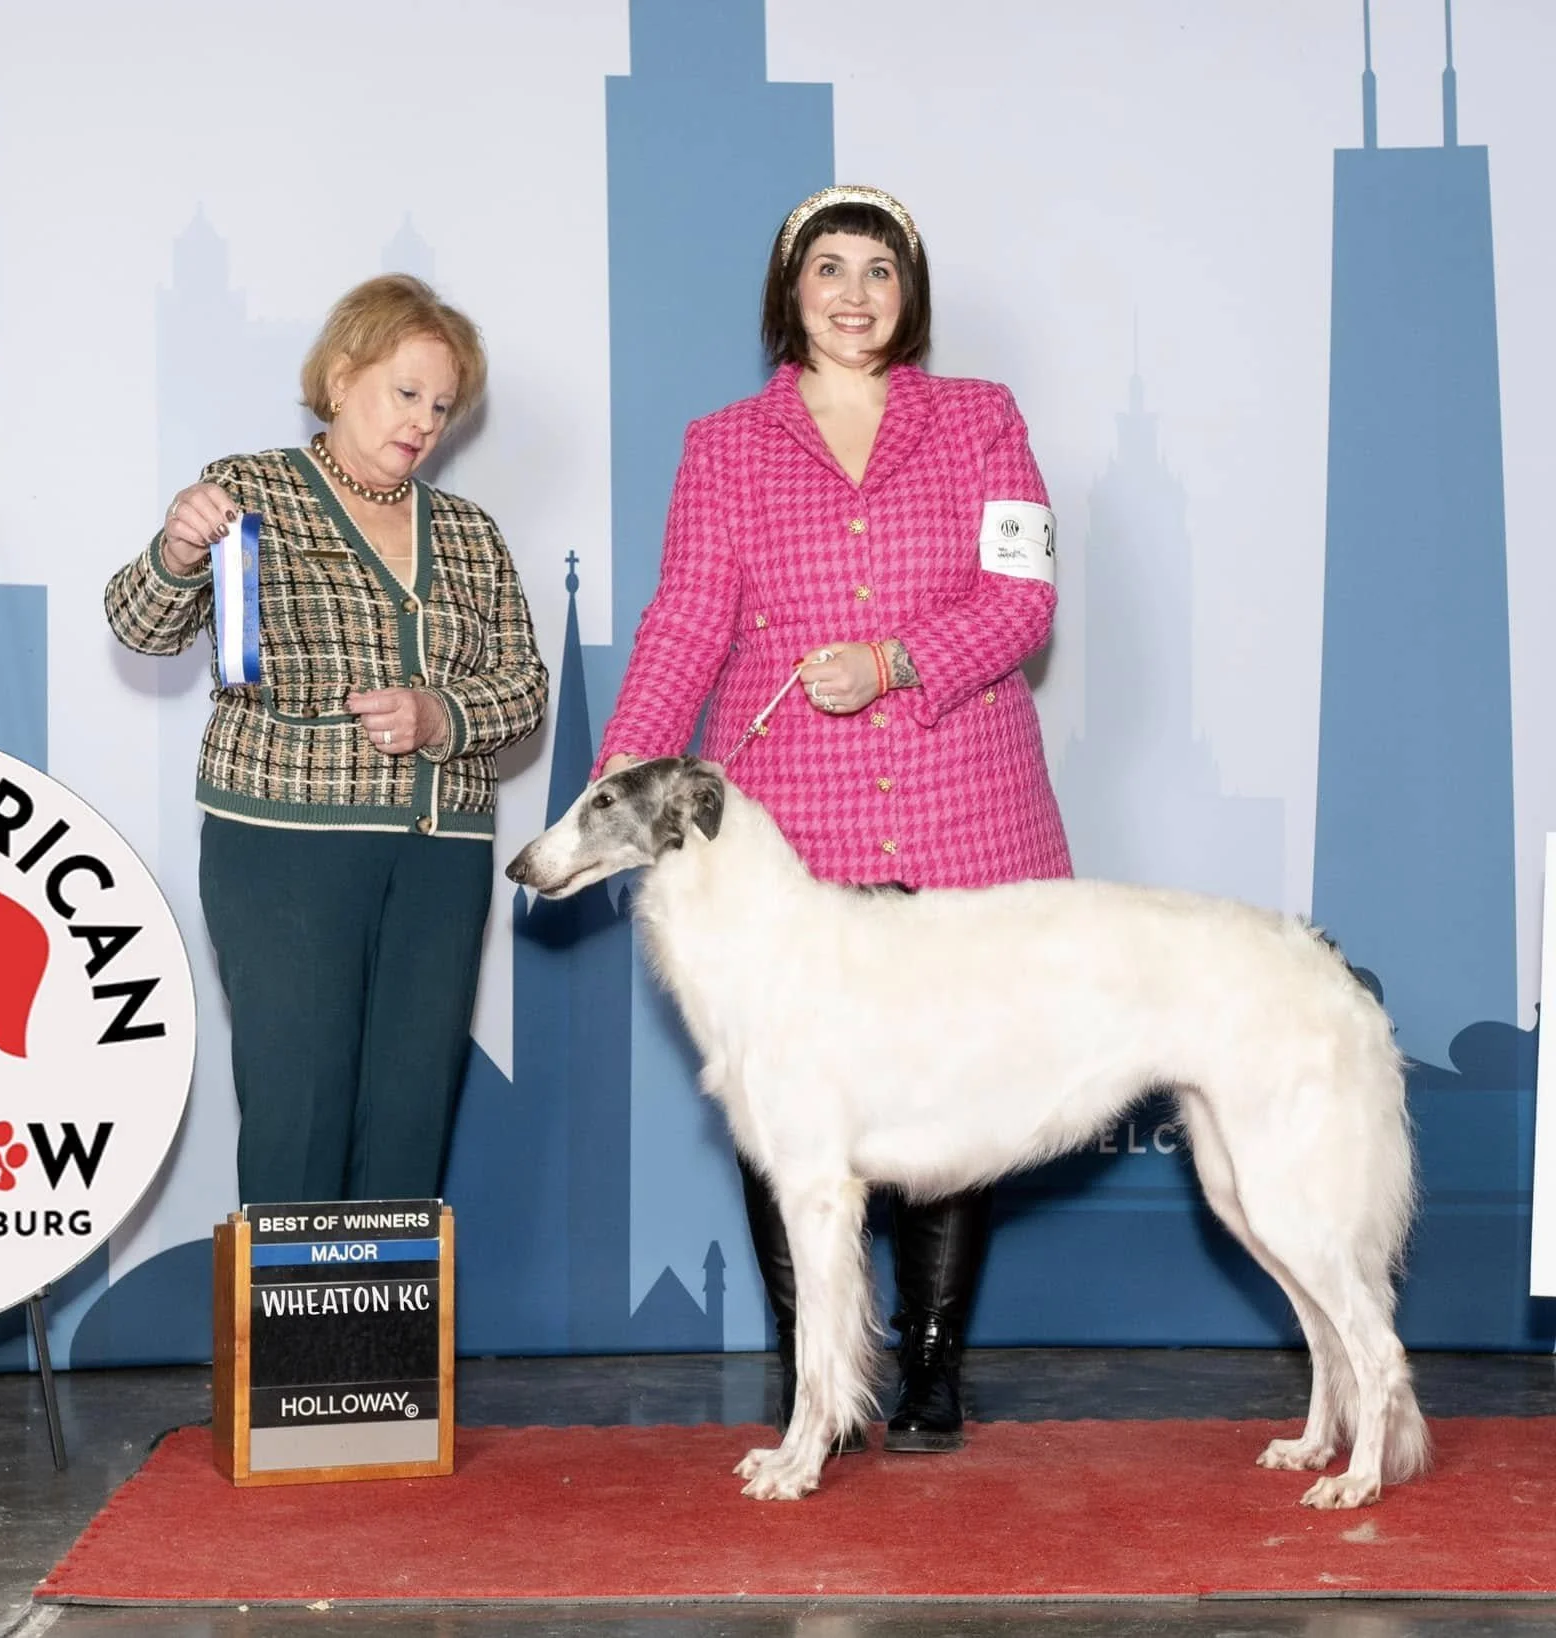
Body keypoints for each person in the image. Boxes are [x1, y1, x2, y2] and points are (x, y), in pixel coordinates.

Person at [596, 185, 1071, 1453]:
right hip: (788, 833)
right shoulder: (723, 443)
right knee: (786, 1105)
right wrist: (619, 786)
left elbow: (1022, 602)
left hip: (965, 806)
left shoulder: (980, 421)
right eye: (827, 269)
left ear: (907, 294)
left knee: (950, 1094)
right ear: (788, 293)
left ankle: (927, 1373)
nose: (854, 292)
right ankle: (821, 1381)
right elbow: (685, 619)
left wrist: (897, 661)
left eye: (878, 270)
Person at [105, 273, 548, 1206]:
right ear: (343, 377)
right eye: (406, 392)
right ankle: (284, 1350)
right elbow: (142, 629)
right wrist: (177, 552)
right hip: (286, 849)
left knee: (412, 1106)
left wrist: (440, 717)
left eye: (442, 404)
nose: (425, 422)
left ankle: (382, 1349)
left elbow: (524, 690)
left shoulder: (471, 533)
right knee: (299, 1103)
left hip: (441, 858)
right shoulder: (249, 489)